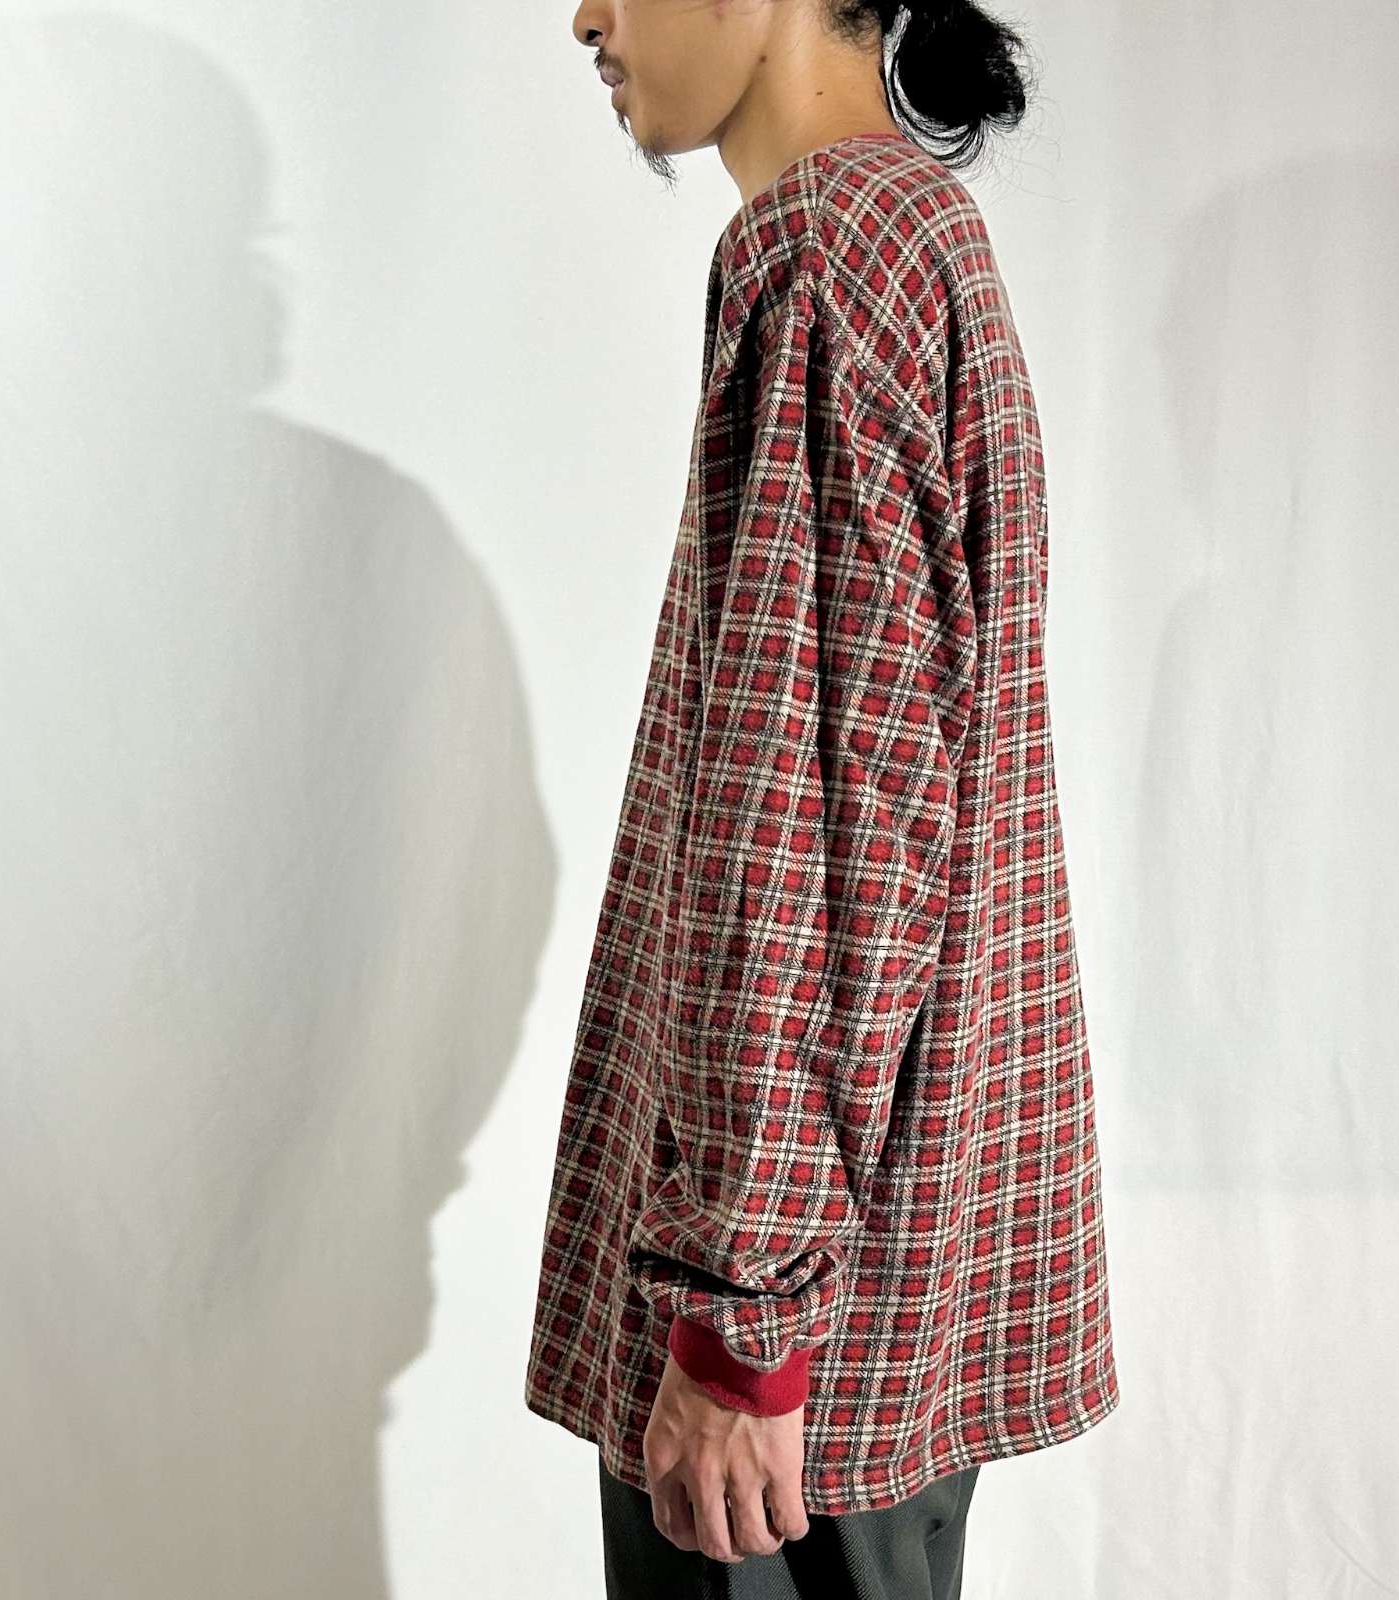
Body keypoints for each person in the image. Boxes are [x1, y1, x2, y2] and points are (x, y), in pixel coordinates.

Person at [528, 1, 1122, 1592]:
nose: (585, 16)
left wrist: (740, 1320)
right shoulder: (911, 240)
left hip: (795, 1365)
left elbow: (816, 835)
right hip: (884, 1296)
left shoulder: (826, 261)